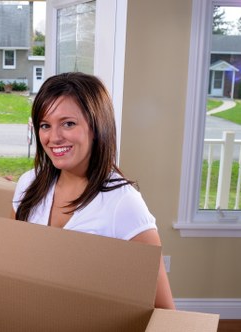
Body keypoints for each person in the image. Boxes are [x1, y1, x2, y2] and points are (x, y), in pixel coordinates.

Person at [12, 72, 175, 309]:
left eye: (68, 123)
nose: (53, 137)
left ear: (97, 127)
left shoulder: (123, 204)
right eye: (45, 125)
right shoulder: (28, 185)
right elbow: (7, 266)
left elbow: (165, 311)